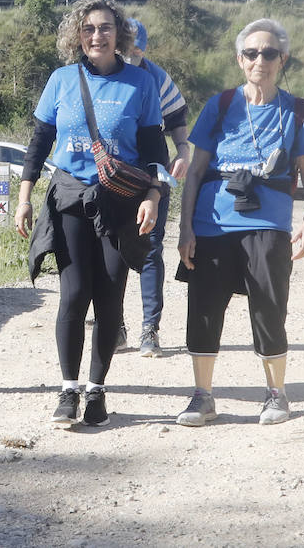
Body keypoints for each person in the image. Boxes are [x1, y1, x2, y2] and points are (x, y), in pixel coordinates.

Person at [14, 0, 169, 427]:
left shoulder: (140, 84)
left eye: (104, 28)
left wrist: (153, 198)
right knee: (74, 292)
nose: (96, 36)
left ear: (119, 34)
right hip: (70, 199)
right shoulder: (62, 79)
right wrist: (24, 196)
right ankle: (68, 391)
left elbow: (156, 149)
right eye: (88, 29)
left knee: (110, 297)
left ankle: (97, 390)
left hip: (121, 202)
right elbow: (39, 142)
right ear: (76, 36)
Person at [173, 17, 304, 427]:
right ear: (240, 59)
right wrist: (185, 228)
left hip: (269, 228)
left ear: (283, 59)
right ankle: (202, 396)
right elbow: (196, 170)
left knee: (270, 310)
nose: (261, 60)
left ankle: (277, 394)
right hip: (213, 227)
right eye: (252, 53)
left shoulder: (296, 112)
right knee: (203, 311)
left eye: (270, 53)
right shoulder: (220, 106)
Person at [122, 19, 191, 358]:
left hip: (153, 171)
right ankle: (114, 324)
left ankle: (150, 328)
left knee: (150, 246)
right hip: (113, 172)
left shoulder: (157, 77)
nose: (131, 53)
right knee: (111, 248)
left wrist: (183, 151)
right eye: (126, 47)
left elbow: (177, 120)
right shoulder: (101, 74)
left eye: (137, 48)